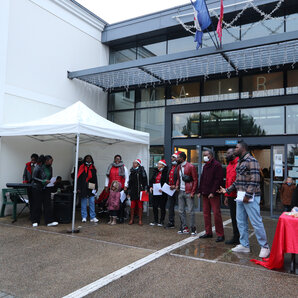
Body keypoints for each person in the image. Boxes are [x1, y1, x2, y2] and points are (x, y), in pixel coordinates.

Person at [219, 141, 270, 258]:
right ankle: (244, 245)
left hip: (250, 196)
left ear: (243, 148)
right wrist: (227, 190)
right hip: (240, 196)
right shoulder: (240, 162)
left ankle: (265, 246)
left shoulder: (252, 161)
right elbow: (237, 181)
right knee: (240, 221)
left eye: (236, 147)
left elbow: (255, 179)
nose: (234, 149)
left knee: (256, 222)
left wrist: (248, 194)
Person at [198, 149, 225, 242]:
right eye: (203, 155)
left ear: (211, 155)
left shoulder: (217, 165)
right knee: (206, 214)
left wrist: (213, 192)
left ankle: (220, 234)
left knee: (216, 214)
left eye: (206, 155)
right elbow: (202, 179)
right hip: (205, 193)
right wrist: (200, 191)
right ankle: (208, 232)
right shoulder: (205, 166)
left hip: (213, 194)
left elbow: (218, 180)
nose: (204, 157)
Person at [31, 155, 58, 227]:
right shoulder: (38, 167)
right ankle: (35, 221)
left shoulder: (50, 168)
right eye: (51, 161)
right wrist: (42, 181)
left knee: (48, 205)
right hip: (38, 188)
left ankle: (49, 221)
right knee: (37, 205)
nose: (52, 162)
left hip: (47, 188)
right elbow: (33, 177)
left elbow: (50, 177)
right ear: (46, 161)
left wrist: (52, 181)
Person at [176, 152, 198, 235]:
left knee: (190, 211)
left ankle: (193, 228)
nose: (177, 159)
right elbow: (179, 178)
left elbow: (195, 179)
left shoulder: (190, 166)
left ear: (182, 158)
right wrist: (177, 185)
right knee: (181, 210)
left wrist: (193, 192)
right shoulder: (179, 167)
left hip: (188, 191)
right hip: (181, 191)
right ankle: (184, 227)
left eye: (178, 157)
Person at [105, 155, 129, 223]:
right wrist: (106, 185)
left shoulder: (124, 167)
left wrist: (125, 186)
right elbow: (107, 177)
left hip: (120, 188)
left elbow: (127, 177)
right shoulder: (110, 166)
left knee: (120, 203)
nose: (117, 160)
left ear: (120, 159)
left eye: (118, 159)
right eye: (116, 159)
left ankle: (120, 217)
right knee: (111, 203)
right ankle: (111, 217)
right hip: (112, 187)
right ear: (114, 159)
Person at [224, 148, 240, 245]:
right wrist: (226, 195)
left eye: (228, 153)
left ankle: (242, 238)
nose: (227, 155)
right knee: (233, 218)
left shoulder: (239, 163)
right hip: (231, 195)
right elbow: (227, 182)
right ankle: (236, 237)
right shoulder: (229, 166)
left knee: (240, 218)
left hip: (239, 195)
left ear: (234, 153)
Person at [77, 155, 98, 223]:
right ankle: (84, 217)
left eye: (90, 159)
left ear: (91, 160)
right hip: (83, 186)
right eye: (87, 158)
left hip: (91, 186)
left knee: (92, 201)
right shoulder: (81, 167)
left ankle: (92, 217)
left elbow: (95, 178)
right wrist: (78, 187)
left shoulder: (93, 168)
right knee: (84, 202)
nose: (88, 160)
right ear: (85, 159)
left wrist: (96, 187)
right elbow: (79, 178)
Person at [127, 159, 148, 226]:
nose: (133, 164)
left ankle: (140, 219)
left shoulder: (142, 171)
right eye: (133, 163)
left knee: (140, 205)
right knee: (132, 205)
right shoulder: (132, 172)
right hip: (133, 190)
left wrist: (145, 189)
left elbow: (145, 181)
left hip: (140, 190)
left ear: (138, 164)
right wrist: (128, 191)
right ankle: (131, 219)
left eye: (135, 163)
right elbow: (130, 182)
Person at [149, 160, 168, 227]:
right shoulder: (155, 172)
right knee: (154, 206)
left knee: (162, 206)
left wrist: (163, 188)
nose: (158, 166)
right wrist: (151, 186)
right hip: (155, 190)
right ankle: (155, 220)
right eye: (158, 164)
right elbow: (151, 180)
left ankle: (161, 221)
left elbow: (167, 182)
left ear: (163, 165)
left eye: (159, 164)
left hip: (163, 192)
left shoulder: (166, 172)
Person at [165, 152, 180, 229]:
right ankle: (171, 222)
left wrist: (176, 185)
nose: (172, 158)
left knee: (181, 207)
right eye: (172, 157)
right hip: (170, 189)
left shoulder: (179, 167)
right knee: (170, 206)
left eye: (173, 157)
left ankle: (183, 224)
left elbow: (180, 178)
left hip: (177, 189)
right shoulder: (171, 167)